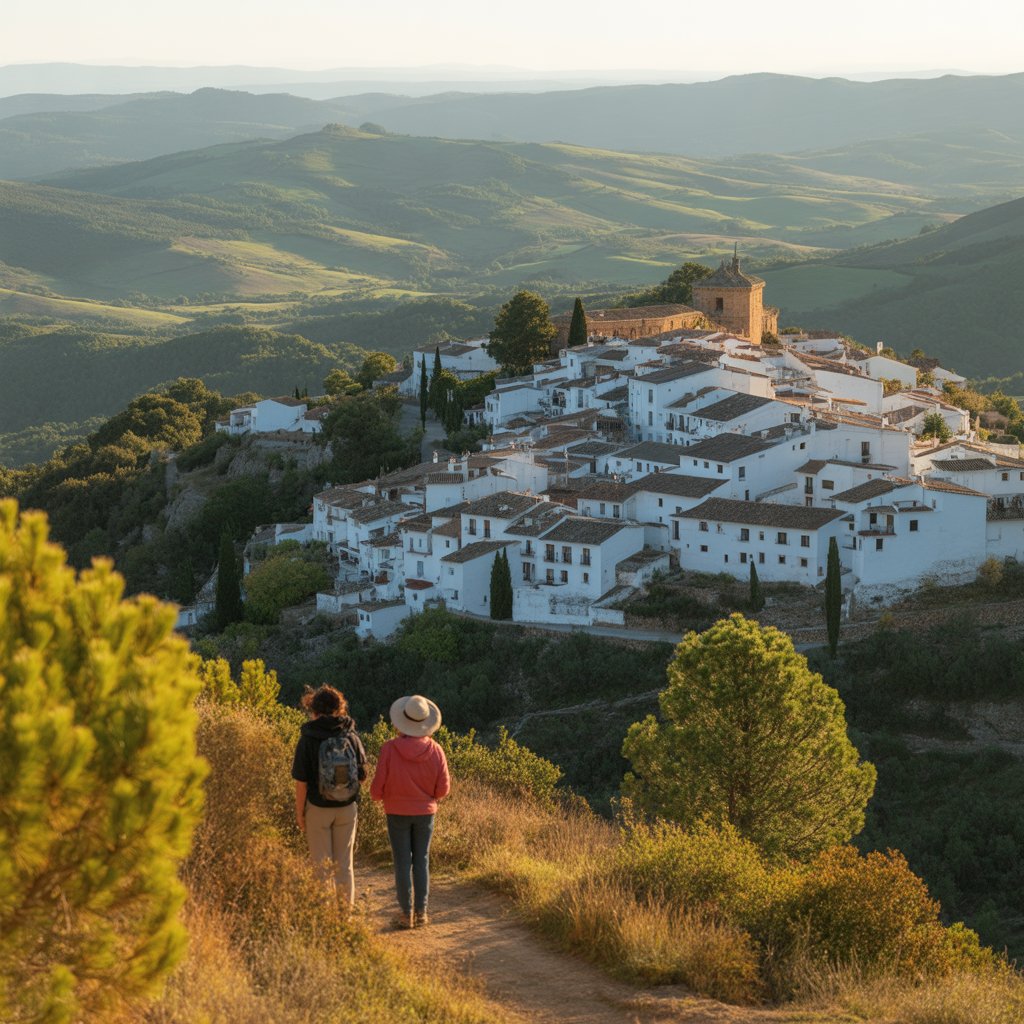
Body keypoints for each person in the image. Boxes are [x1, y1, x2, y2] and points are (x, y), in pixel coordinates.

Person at [370, 694, 450, 929]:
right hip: (425, 812)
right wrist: (428, 798)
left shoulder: (389, 749)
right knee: (422, 860)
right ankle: (422, 912)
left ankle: (406, 914)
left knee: (402, 862)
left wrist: (384, 797)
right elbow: (443, 789)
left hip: (396, 812)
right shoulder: (436, 750)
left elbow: (377, 788)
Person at [291, 685, 367, 905]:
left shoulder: (308, 738)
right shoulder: (351, 735)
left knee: (321, 866)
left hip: (318, 809)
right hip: (347, 808)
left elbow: (301, 782)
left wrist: (300, 813)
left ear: (313, 709)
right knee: (345, 865)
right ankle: (345, 918)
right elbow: (361, 776)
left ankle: (326, 920)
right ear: (340, 708)